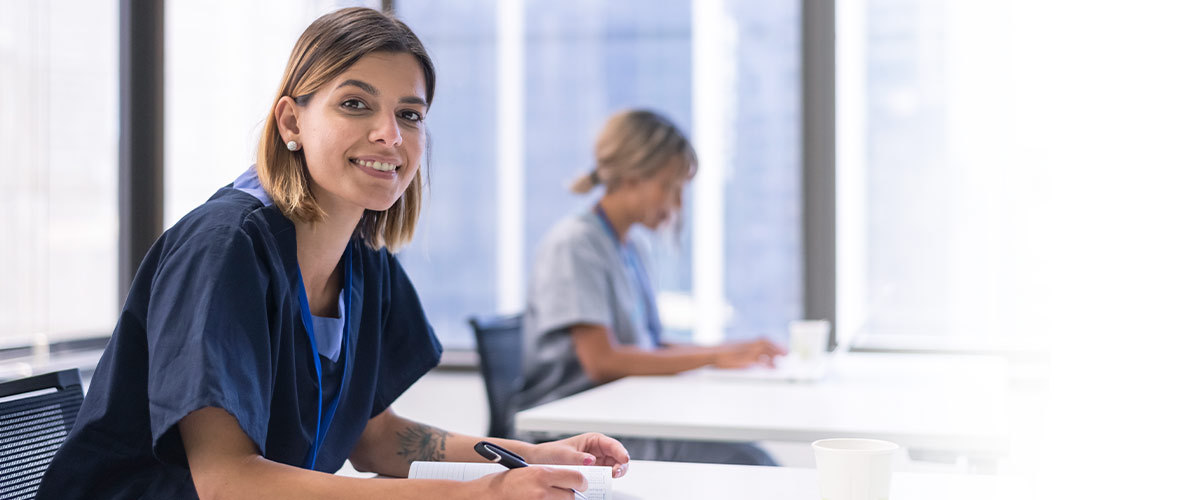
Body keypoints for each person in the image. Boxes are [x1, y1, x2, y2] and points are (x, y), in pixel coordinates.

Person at [37, 8, 628, 499]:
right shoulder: (224, 248)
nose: (389, 135)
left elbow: (373, 438)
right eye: (355, 104)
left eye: (409, 114)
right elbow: (227, 482)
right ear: (292, 120)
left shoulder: (363, 257)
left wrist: (523, 459)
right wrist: (474, 493)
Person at [519, 109, 787, 466]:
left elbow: (649, 344)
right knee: (750, 463)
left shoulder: (631, 246)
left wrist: (729, 352)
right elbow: (603, 361)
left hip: (623, 415)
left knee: (747, 453)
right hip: (574, 437)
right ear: (632, 176)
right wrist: (713, 356)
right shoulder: (574, 245)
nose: (677, 205)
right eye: (669, 187)